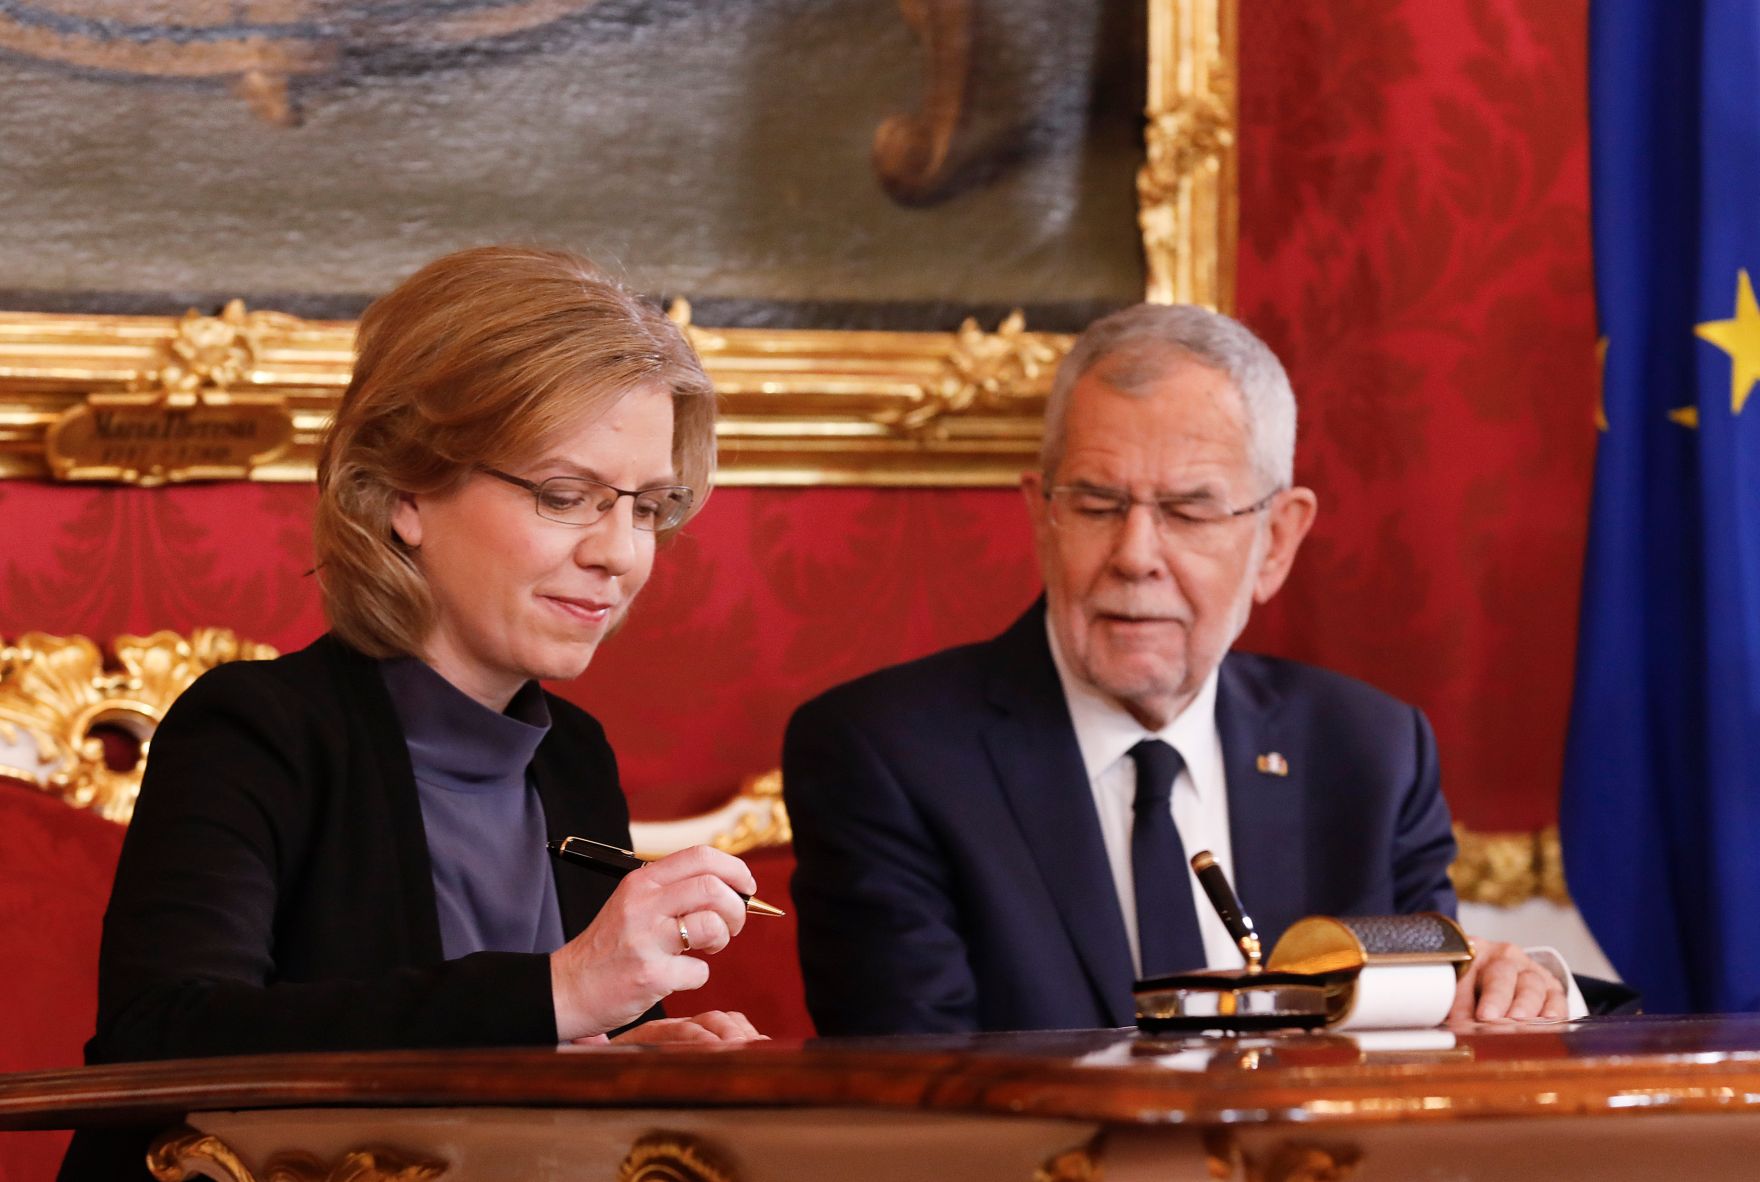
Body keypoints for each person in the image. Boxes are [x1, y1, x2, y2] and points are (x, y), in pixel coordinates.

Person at [67, 247, 761, 1177]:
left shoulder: (572, 756)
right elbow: (162, 1038)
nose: (621, 554)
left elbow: (538, 1060)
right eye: (567, 497)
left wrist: (624, 1067)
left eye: (648, 508)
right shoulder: (256, 730)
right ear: (404, 493)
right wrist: (558, 995)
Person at [783, 302, 1574, 1036]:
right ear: (1041, 516)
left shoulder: (1369, 754)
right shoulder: (888, 757)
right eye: (1096, 505)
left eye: (1189, 512)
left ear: (1278, 541)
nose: (1134, 557)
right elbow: (917, 1105)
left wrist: (1500, 991)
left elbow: (1420, 1050)